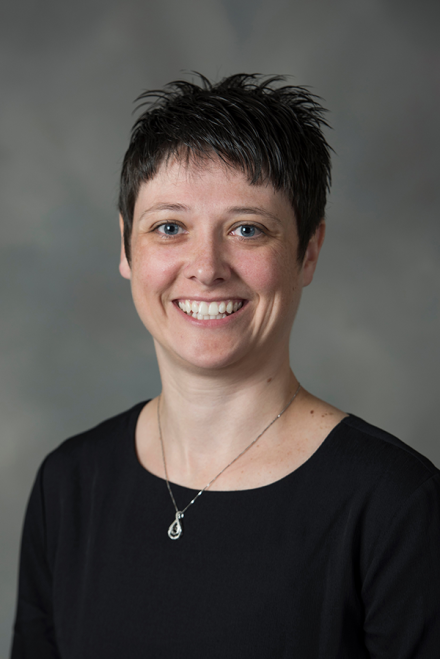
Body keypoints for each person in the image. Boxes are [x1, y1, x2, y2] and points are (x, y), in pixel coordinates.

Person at [11, 74, 440, 658]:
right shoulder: (67, 487)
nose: (206, 267)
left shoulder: (399, 505)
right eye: (169, 227)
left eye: (247, 229)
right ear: (125, 247)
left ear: (308, 251)